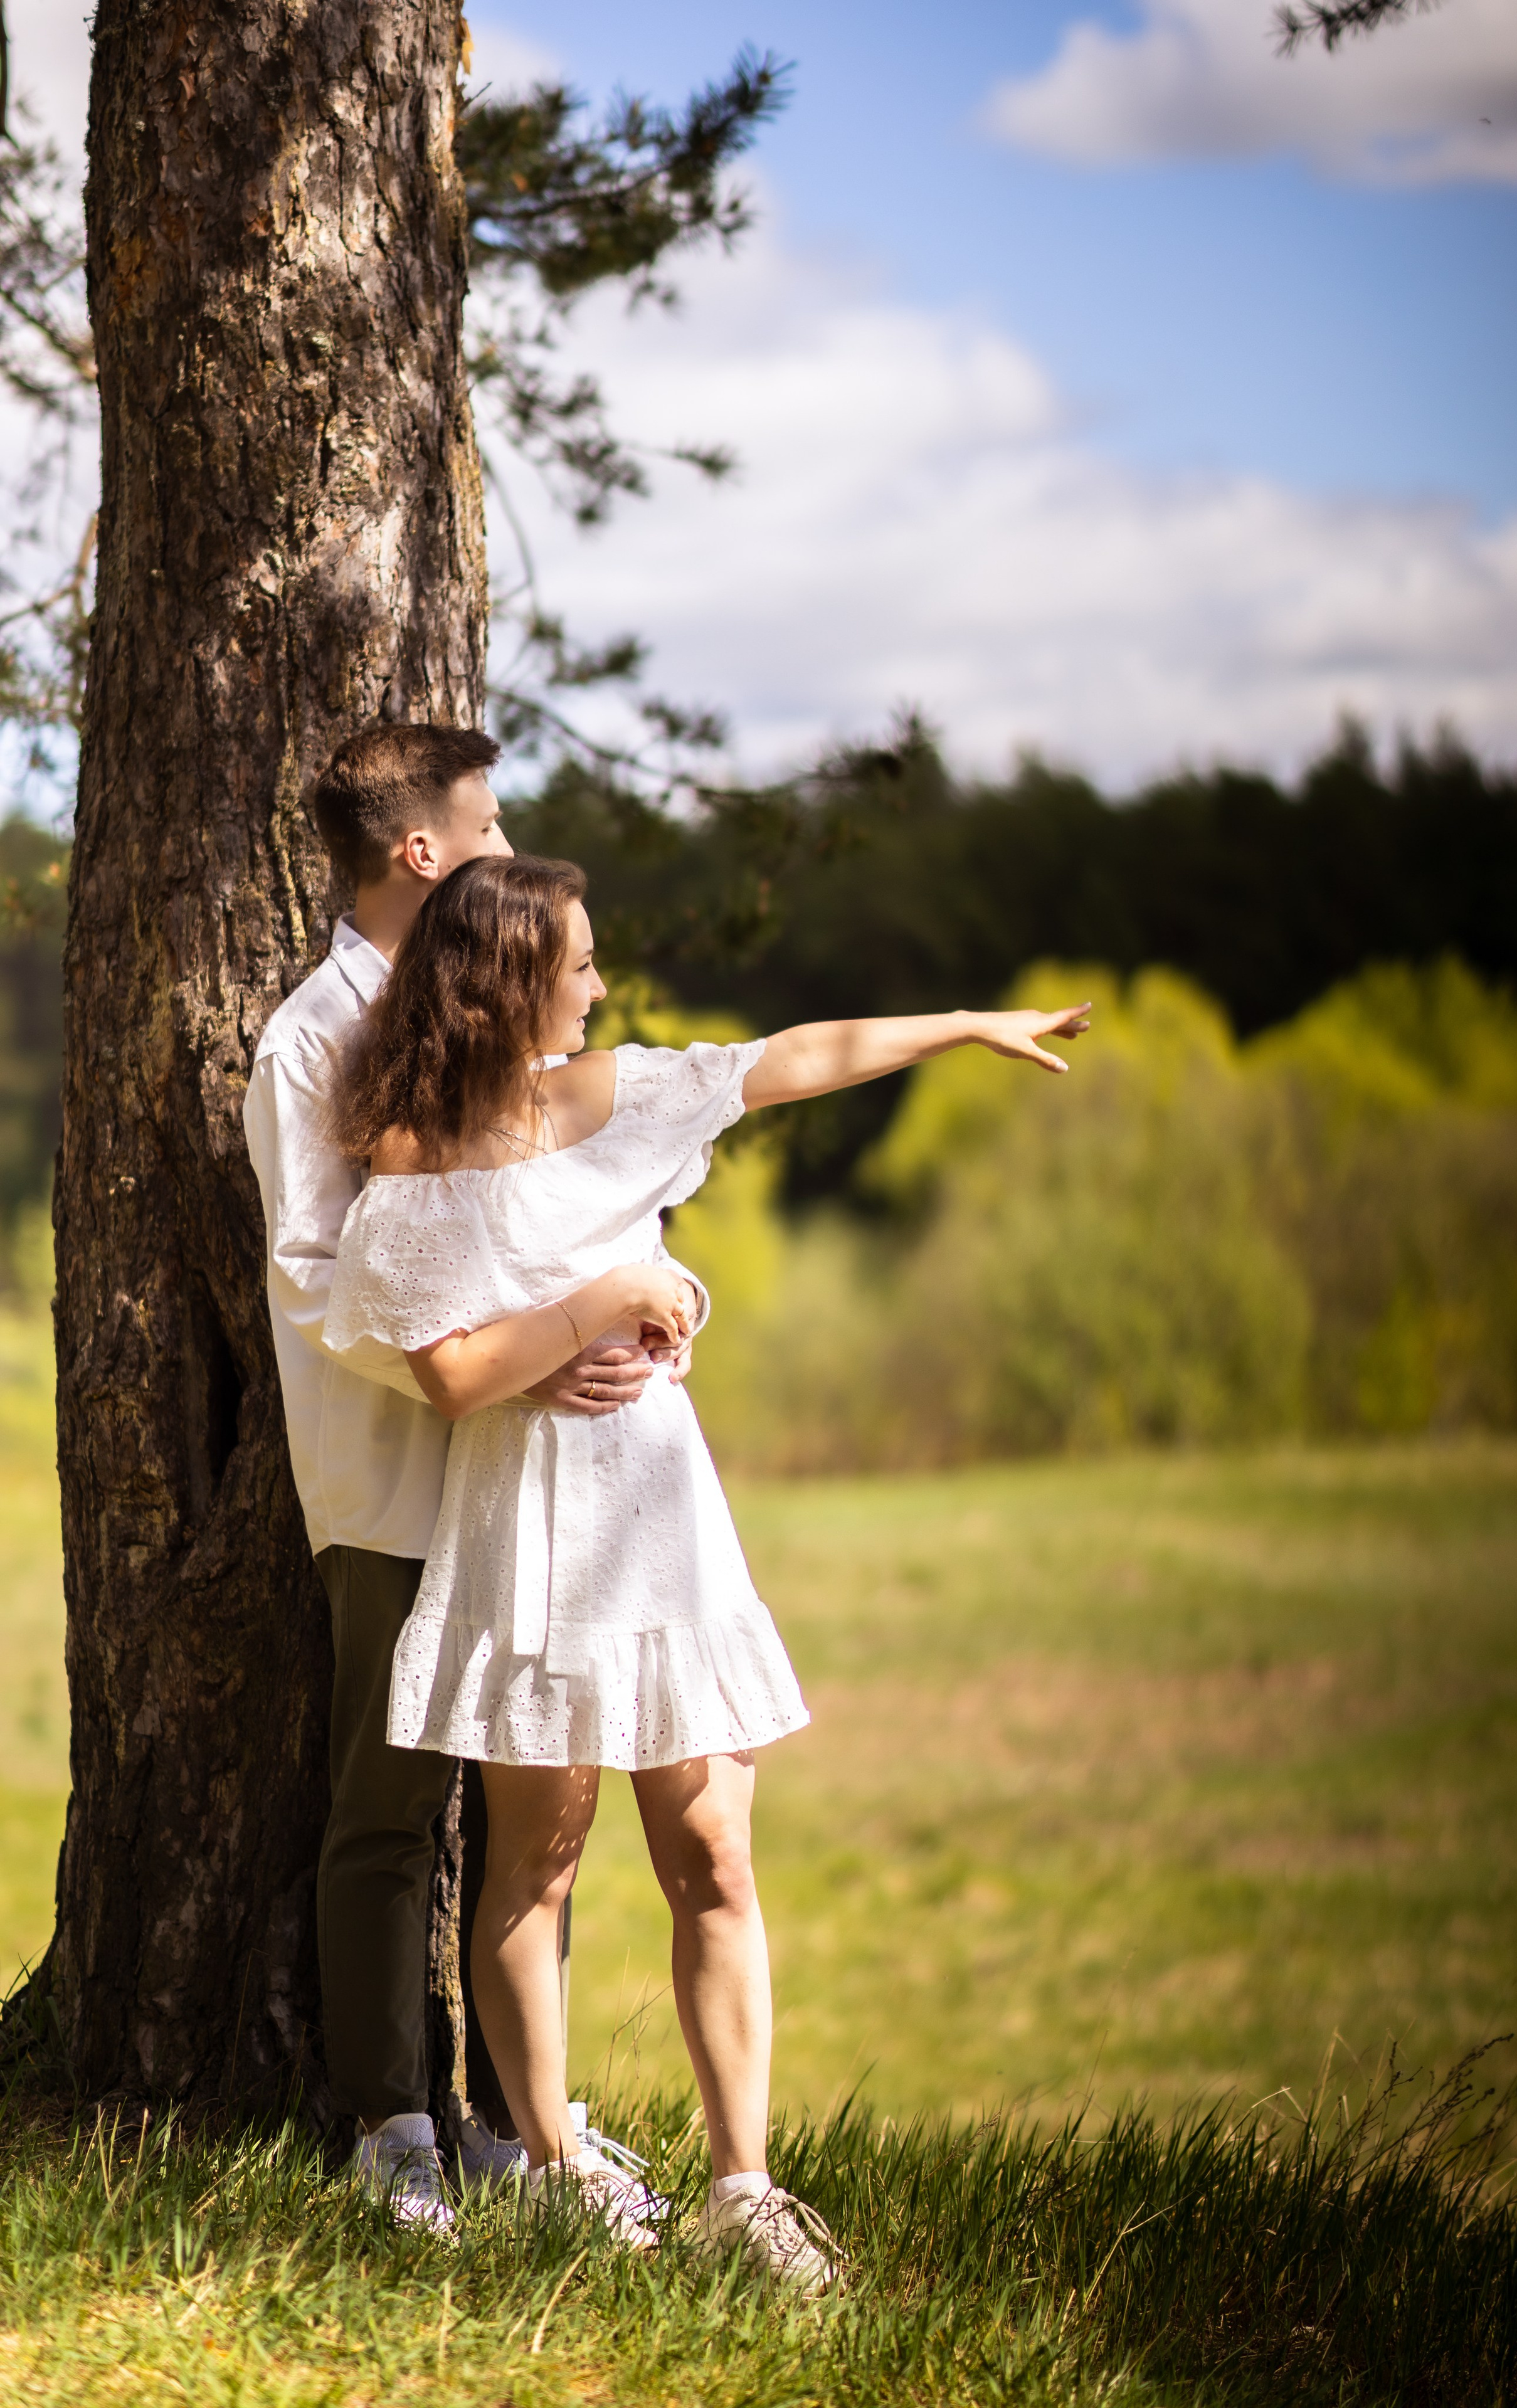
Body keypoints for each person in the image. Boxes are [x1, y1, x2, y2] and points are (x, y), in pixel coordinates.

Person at [322, 853, 1092, 2288]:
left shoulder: (614, 1096)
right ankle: (554, 2173)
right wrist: (607, 1296)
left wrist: (969, 1022)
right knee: (536, 1870)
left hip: (661, 1516)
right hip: (530, 1532)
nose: (601, 984)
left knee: (715, 1856)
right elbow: (451, 1376)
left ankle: (745, 2190)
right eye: (580, 962)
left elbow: (788, 1060)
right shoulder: (417, 1150)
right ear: (505, 979)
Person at [243, 723, 697, 2233]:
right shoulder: (311, 1039)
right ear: (419, 853)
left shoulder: (498, 1013)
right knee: (389, 1805)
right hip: (394, 1479)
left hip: (540, 1483)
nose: (507, 854)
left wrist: (640, 1317)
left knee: (533, 1817)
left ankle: (525, 2129)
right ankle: (392, 2125)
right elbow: (321, 1282)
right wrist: (506, 1357)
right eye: (487, 833)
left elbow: (569, 1207)